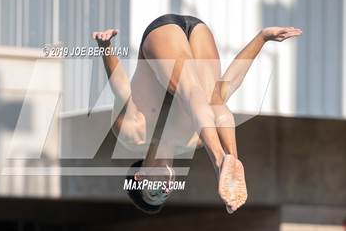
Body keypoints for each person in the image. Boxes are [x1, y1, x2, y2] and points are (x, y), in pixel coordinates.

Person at [92, 14, 302, 214]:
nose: (164, 190)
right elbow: (229, 83)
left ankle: (221, 162)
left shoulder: (133, 134)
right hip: (199, 31)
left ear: (140, 177)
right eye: (165, 195)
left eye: (154, 192)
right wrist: (262, 38)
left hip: (162, 34)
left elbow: (120, 88)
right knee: (217, 100)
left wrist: (105, 47)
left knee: (192, 93)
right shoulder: (194, 140)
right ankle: (231, 161)